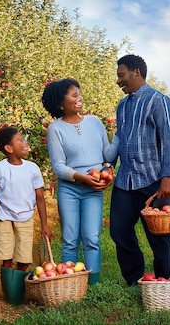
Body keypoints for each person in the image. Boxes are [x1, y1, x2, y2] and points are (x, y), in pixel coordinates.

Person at [108, 54, 170, 286]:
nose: (119, 81)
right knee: (119, 231)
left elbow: (169, 141)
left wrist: (166, 179)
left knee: (160, 235)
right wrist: (108, 165)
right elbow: (119, 139)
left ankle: (164, 281)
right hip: (125, 180)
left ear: (136, 72)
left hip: (153, 180)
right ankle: (135, 279)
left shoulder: (160, 101)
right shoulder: (123, 105)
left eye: (121, 75)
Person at [41, 78, 118, 285]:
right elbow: (58, 166)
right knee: (70, 239)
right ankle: (70, 282)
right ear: (60, 104)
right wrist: (82, 177)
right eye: (74, 95)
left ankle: (93, 283)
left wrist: (108, 168)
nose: (79, 98)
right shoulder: (55, 129)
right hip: (70, 189)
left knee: (92, 238)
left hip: (94, 188)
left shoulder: (94, 122)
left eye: (79, 93)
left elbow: (108, 155)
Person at [0, 126, 52, 304]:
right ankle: (10, 294)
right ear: (9, 148)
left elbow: (40, 197)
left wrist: (44, 225)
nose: (25, 143)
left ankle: (19, 294)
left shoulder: (32, 168)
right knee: (6, 256)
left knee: (24, 257)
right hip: (4, 217)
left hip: (25, 218)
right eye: (20, 140)